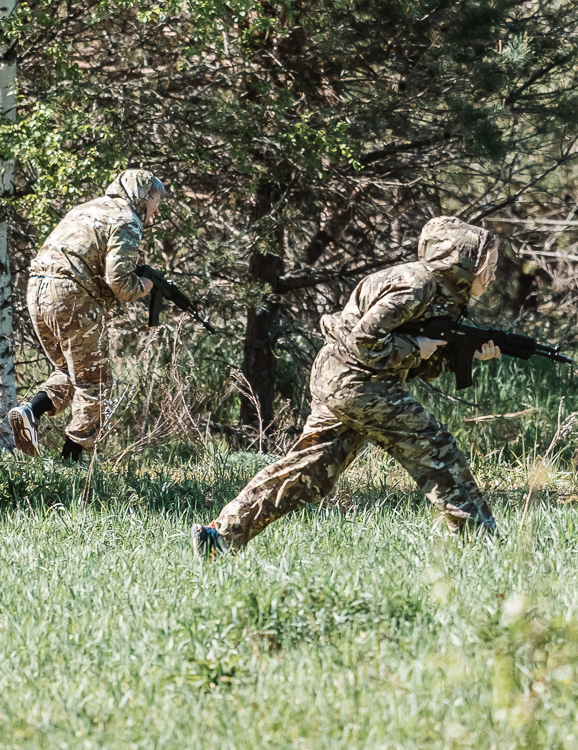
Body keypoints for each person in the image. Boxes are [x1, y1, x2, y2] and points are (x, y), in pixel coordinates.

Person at [193, 215, 504, 556]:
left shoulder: (435, 288)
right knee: (435, 449)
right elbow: (365, 341)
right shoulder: (418, 285)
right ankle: (482, 543)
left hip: (341, 379)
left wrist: (461, 354)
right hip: (358, 383)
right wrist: (418, 348)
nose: (491, 276)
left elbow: (411, 358)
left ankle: (220, 537)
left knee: (309, 471)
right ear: (462, 260)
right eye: (486, 266)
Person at [8, 168, 166, 460]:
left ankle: (31, 411)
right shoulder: (126, 219)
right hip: (72, 295)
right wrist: (142, 287)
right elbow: (118, 281)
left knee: (71, 371)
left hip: (37, 290)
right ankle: (71, 460)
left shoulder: (86, 209)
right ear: (142, 196)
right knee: (97, 380)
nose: (156, 209)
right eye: (156, 200)